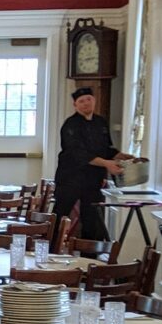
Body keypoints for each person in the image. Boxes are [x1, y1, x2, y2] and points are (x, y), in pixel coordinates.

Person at [54, 85, 127, 242]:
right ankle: (51, 250)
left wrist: (123, 157)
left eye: (89, 99)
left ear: (94, 101)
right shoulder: (70, 125)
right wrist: (107, 164)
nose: (86, 103)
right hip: (70, 179)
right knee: (60, 215)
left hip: (93, 181)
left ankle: (91, 260)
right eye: (81, 101)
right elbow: (78, 153)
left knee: (93, 220)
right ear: (75, 105)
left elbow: (106, 149)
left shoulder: (100, 123)